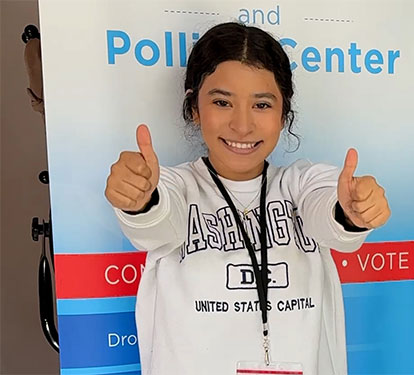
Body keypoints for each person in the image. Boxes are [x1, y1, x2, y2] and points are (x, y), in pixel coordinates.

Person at [105, 22, 390, 375]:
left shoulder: (301, 184)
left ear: (284, 113)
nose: (242, 125)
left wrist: (350, 213)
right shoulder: (174, 186)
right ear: (194, 108)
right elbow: (156, 222)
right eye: (222, 102)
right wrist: (139, 201)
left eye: (262, 104)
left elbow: (329, 216)